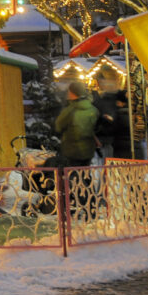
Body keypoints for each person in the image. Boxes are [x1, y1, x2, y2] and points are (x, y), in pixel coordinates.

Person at [54, 81, 101, 221]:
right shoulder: (92, 109)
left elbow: (58, 126)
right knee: (86, 178)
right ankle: (91, 209)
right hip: (87, 150)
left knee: (73, 181)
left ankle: (75, 209)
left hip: (72, 151)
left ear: (73, 93)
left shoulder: (70, 110)